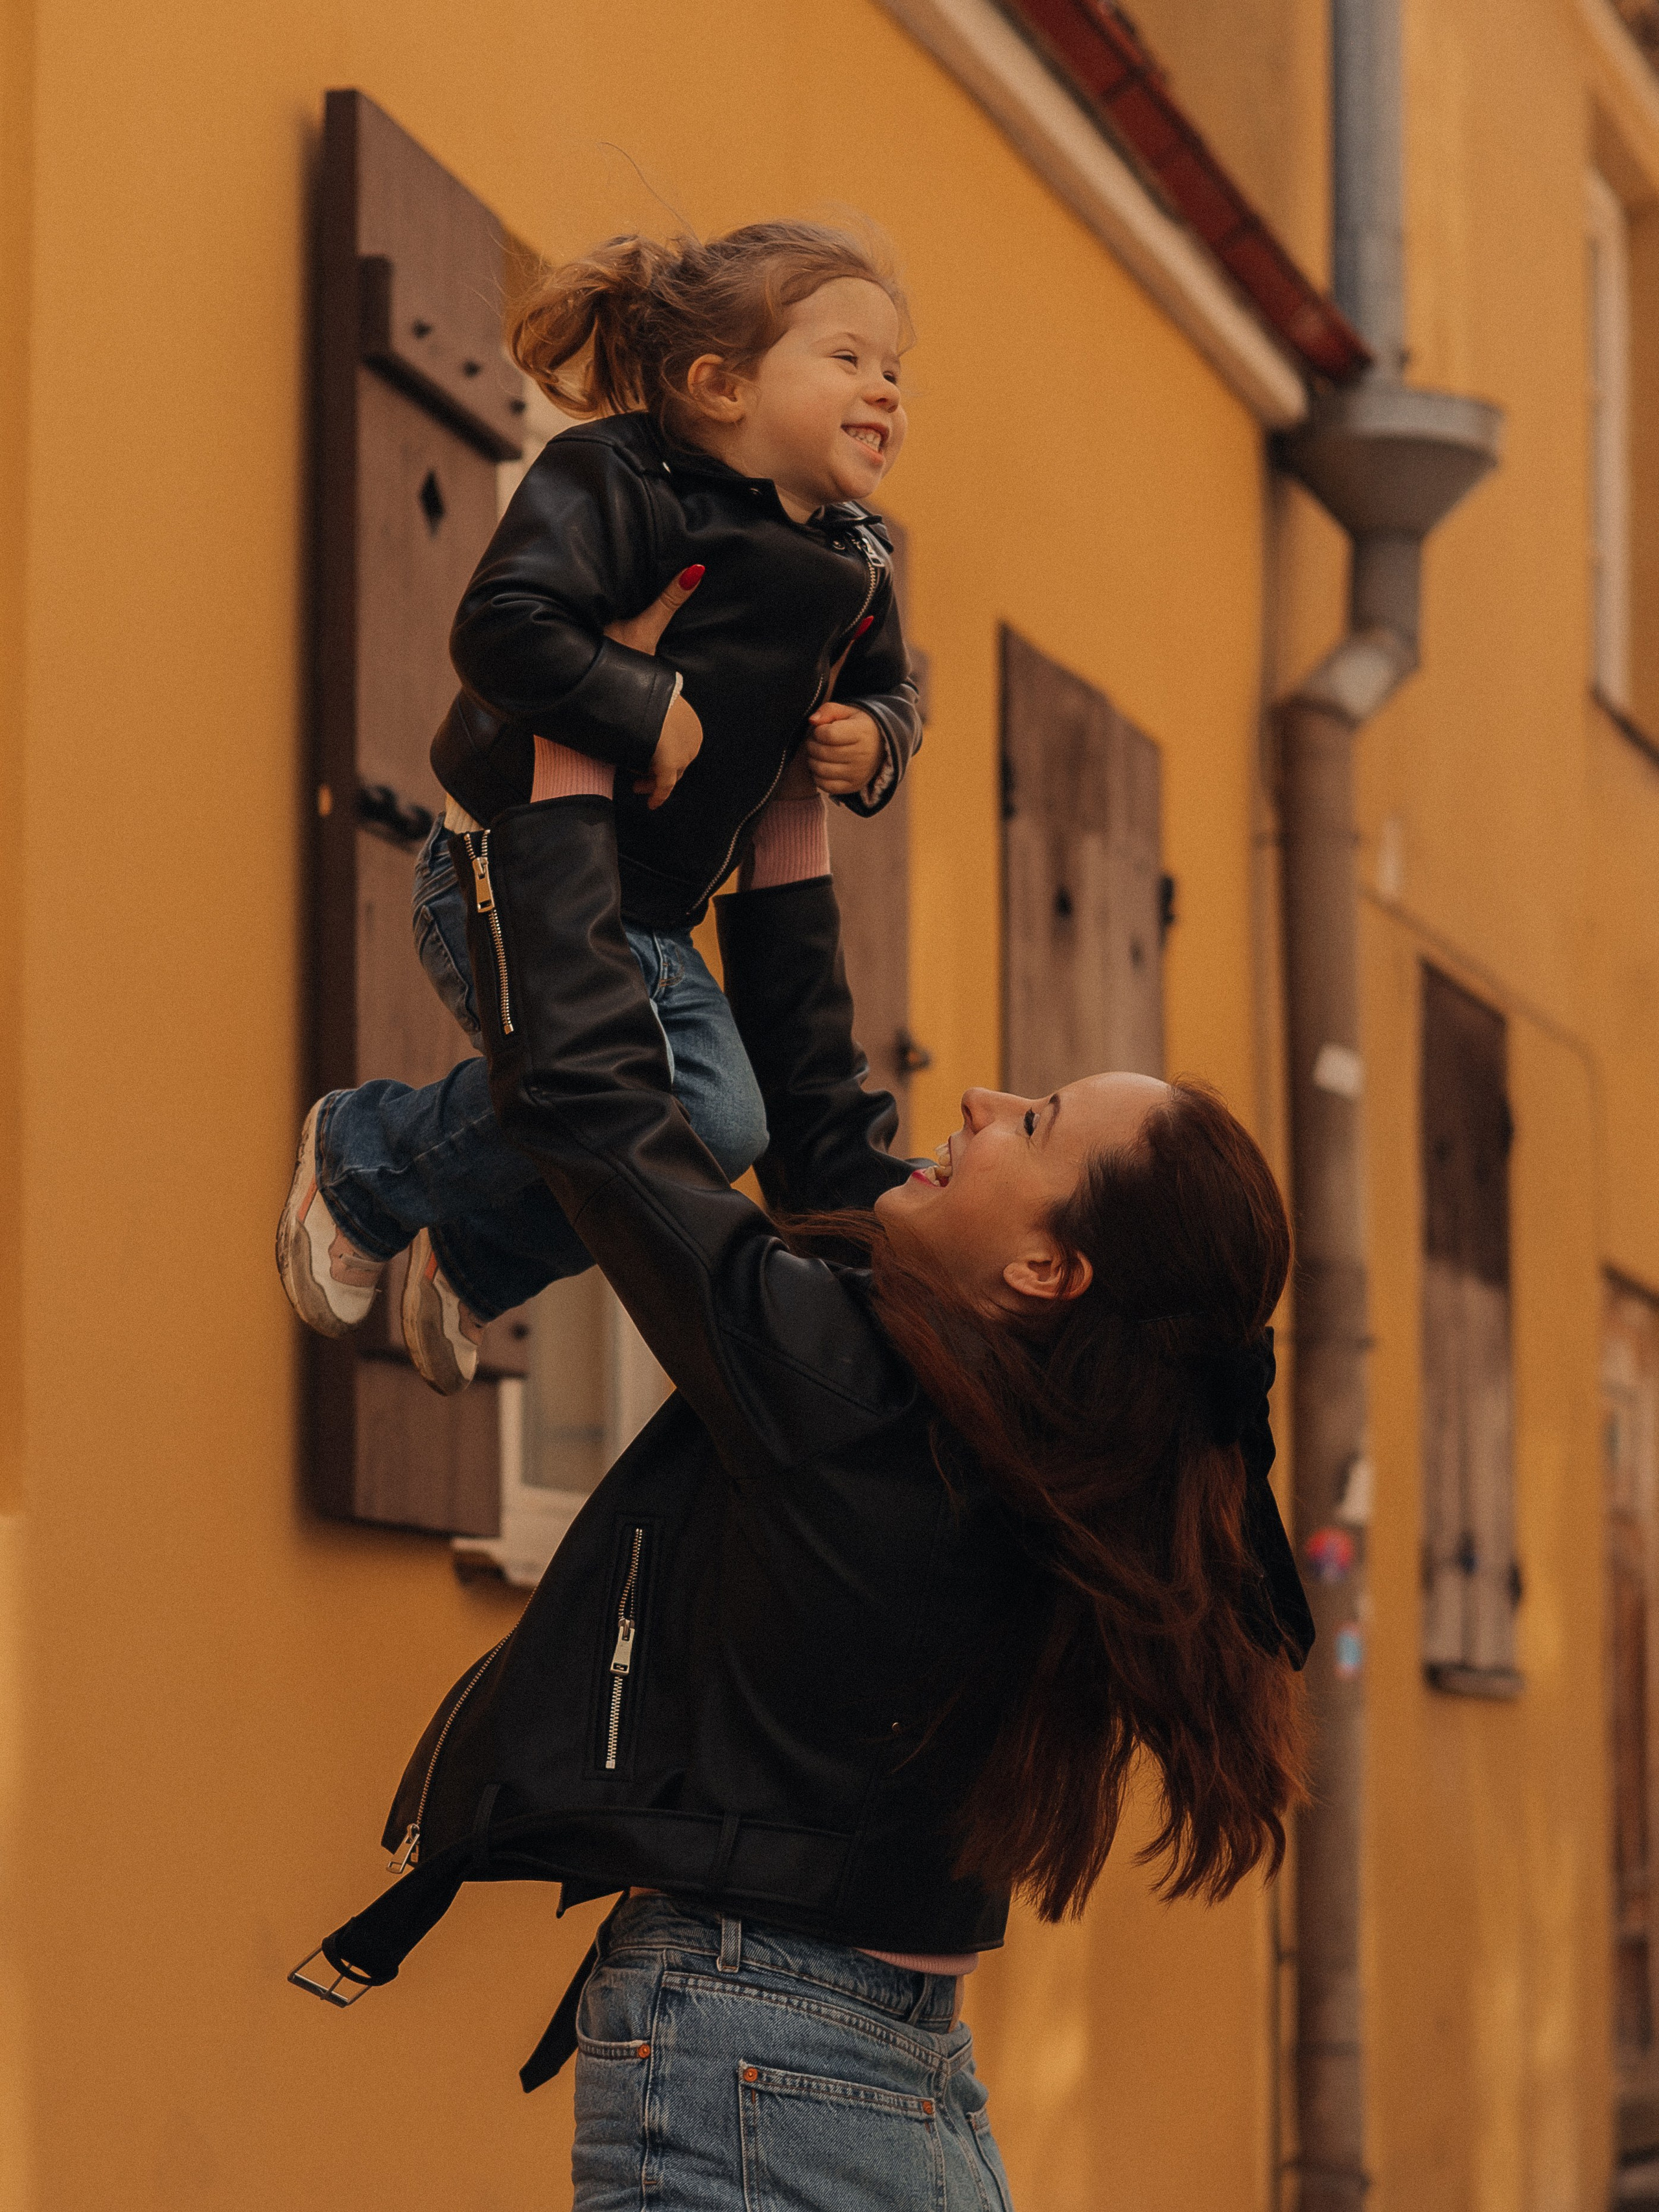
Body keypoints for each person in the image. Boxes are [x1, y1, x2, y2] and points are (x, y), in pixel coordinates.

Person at [291, 761, 1315, 2211]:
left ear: (1044, 1270)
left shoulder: (849, 1386)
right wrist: (785, 844)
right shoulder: (1055, 1445)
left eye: (1031, 1124)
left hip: (748, 2058)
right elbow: (826, 1129)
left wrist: (561, 814)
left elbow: (595, 1106)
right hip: (891, 2067)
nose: (976, 1098)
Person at [277, 220, 923, 1392]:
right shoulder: (619, 479)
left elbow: (891, 691)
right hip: (503, 867)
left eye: (895, 371)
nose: (884, 387)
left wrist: (873, 740)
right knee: (656, 1103)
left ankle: (475, 1251)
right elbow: (503, 628)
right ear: (720, 385)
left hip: (654, 923)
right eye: (849, 358)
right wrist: (640, 700)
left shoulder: (856, 562)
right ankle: (366, 1158)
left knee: (721, 1130)